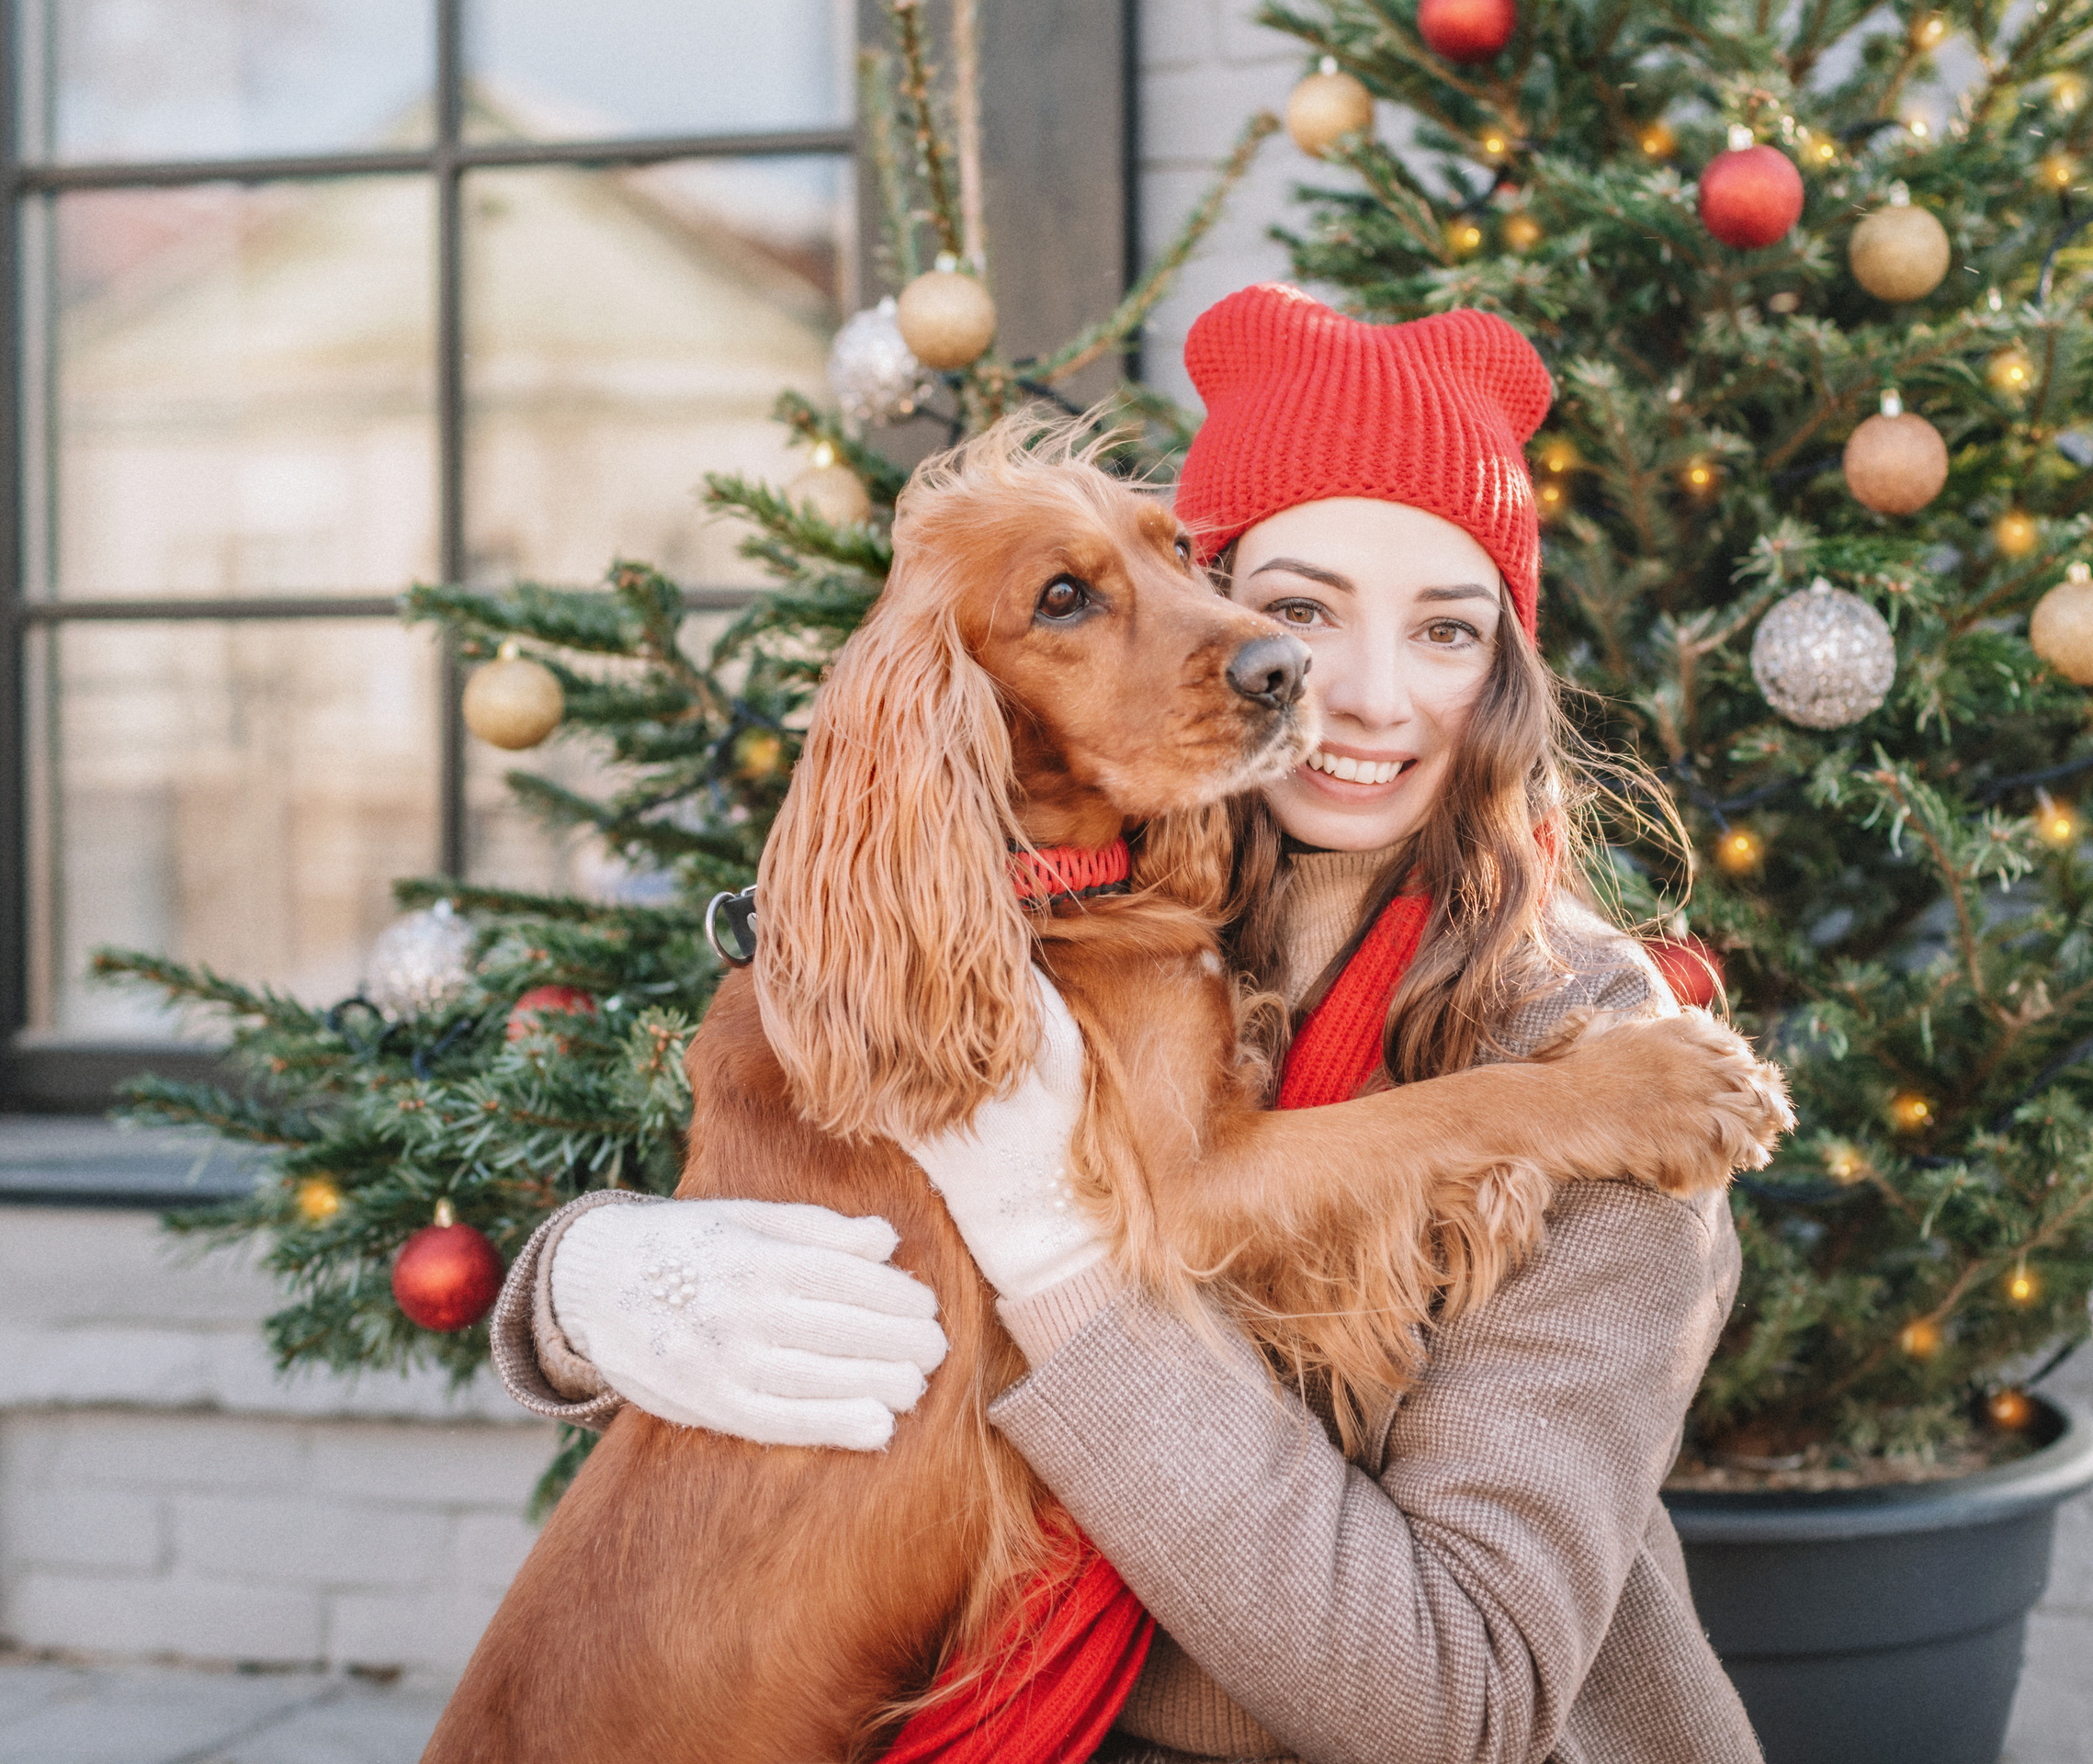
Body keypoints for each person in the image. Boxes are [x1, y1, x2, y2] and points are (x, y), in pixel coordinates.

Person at [492, 283, 1772, 1763]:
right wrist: (587, 1288)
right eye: (1295, 611)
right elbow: (814, 1222)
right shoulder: (1083, 909)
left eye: (1445, 629)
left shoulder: (1605, 1061)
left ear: (1505, 674)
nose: (1342, 691)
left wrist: (1058, 1251)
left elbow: (1451, 1707)